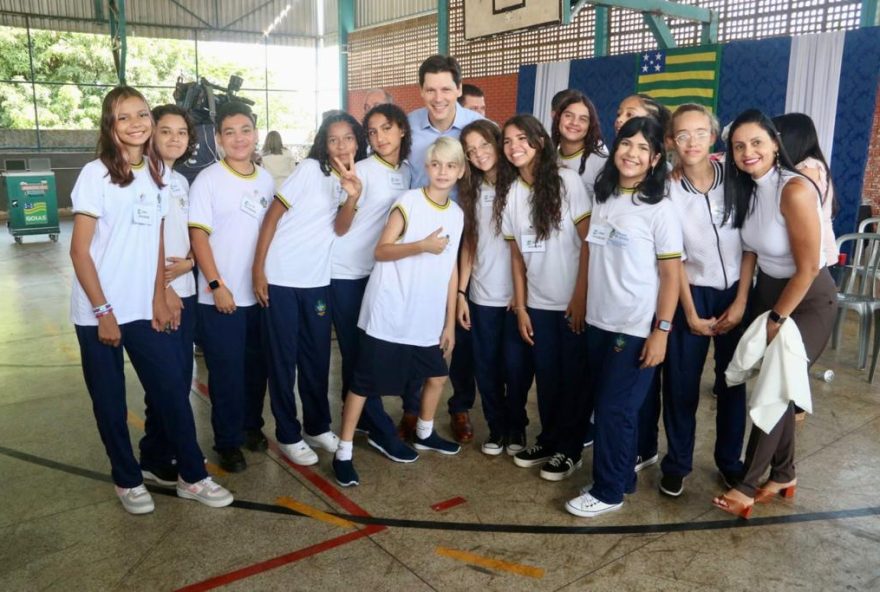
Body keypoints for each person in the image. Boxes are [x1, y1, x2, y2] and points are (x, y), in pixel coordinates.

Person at [69, 86, 233, 514]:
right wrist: (103, 312)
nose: (137, 123)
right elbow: (79, 252)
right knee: (110, 401)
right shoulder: (95, 174)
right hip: (98, 310)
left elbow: (156, 236)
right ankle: (127, 479)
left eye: (141, 113)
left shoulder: (157, 174)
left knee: (171, 392)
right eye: (124, 117)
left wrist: (162, 293)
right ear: (110, 125)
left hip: (144, 308)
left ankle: (192, 476)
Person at [712, 109, 836, 518]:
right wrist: (745, 300)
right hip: (768, 294)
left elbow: (809, 268)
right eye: (739, 146)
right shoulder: (748, 187)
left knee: (778, 390)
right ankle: (783, 473)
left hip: (807, 300)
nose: (749, 152)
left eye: (757, 143)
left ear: (775, 144)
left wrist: (776, 318)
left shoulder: (794, 189)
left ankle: (747, 484)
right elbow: (751, 248)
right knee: (779, 386)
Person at [331, 136, 466, 487]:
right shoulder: (408, 201)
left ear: (461, 171)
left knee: (436, 376)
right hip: (390, 311)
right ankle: (343, 451)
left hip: (425, 315)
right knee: (362, 385)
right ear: (427, 167)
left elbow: (451, 269)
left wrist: (448, 323)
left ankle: (424, 431)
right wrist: (421, 245)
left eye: (451, 166)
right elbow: (381, 251)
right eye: (436, 164)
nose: (442, 171)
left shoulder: (456, 214)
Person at [566, 116, 682, 518]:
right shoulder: (604, 196)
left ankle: (608, 490)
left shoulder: (660, 210)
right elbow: (591, 253)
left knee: (614, 408)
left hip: (633, 327)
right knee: (615, 407)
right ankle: (623, 477)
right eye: (626, 144)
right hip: (599, 321)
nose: (632, 154)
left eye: (642, 148)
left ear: (654, 160)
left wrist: (661, 331)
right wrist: (580, 299)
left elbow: (671, 276)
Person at [252, 112, 366, 466]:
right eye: (333, 139)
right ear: (323, 143)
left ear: (357, 142)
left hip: (316, 280)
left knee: (317, 358)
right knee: (284, 360)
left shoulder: (351, 179)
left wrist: (351, 196)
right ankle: (288, 433)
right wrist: (258, 269)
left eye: (347, 138)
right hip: (283, 276)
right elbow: (272, 216)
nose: (341, 145)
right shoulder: (308, 171)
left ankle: (317, 427)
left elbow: (342, 228)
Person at [656, 104, 747, 497]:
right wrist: (689, 313)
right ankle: (677, 463)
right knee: (681, 385)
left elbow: (752, 242)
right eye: (682, 135)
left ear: (713, 136)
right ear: (671, 141)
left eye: (699, 133)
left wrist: (742, 301)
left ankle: (730, 461)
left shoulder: (738, 176)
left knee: (732, 381)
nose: (691, 142)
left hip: (736, 292)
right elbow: (671, 258)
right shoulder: (667, 188)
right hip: (689, 292)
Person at [499, 114, 591, 482]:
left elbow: (589, 243)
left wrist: (581, 297)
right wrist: (521, 308)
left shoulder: (568, 182)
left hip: (571, 303)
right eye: (507, 141)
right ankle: (549, 439)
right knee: (549, 380)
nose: (514, 147)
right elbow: (516, 258)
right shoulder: (512, 193)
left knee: (573, 381)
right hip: (537, 305)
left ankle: (570, 450)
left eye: (522, 138)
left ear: (539, 141)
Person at [329, 103, 418, 463]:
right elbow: (339, 226)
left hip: (381, 274)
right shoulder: (359, 170)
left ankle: (365, 418)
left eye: (386, 129)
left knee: (372, 351)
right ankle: (381, 430)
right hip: (347, 273)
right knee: (359, 354)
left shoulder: (409, 172)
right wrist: (351, 196)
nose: (379, 137)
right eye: (372, 132)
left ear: (401, 131)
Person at [188, 101, 272, 473]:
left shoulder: (267, 179)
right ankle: (227, 442)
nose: (239, 138)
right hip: (220, 297)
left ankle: (251, 427)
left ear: (256, 133)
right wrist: (217, 284)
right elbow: (198, 237)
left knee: (257, 369)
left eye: (245, 130)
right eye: (229, 132)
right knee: (225, 373)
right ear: (219, 138)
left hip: (259, 296)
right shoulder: (209, 179)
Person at [406, 54, 482, 444]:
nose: (438, 97)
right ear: (421, 91)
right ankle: (411, 407)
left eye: (446, 88)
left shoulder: (476, 129)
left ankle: (460, 406)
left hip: (465, 239)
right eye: (430, 89)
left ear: (459, 87)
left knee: (461, 328)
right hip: (419, 242)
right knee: (417, 324)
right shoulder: (407, 128)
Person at [457, 120, 533, 456]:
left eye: (484, 145)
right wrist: (461, 293)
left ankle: (516, 426)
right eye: (471, 151)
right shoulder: (471, 189)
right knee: (485, 366)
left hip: (516, 296)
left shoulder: (520, 184)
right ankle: (496, 427)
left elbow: (530, 247)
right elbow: (470, 245)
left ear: (497, 143)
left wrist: (522, 296)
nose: (479, 154)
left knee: (515, 367)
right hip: (481, 294)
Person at [137, 103, 199, 486]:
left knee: (178, 377)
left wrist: (191, 264)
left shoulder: (180, 180)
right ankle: (156, 454)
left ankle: (161, 450)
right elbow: (143, 241)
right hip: (160, 293)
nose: (174, 138)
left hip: (186, 289)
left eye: (181, 132)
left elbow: (188, 235)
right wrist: (164, 289)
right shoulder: (142, 178)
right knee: (167, 379)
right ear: (152, 134)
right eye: (166, 131)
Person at [772, 113, 838, 268]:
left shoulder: (809, 168)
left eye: (776, 136)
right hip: (804, 252)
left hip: (814, 255)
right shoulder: (802, 166)